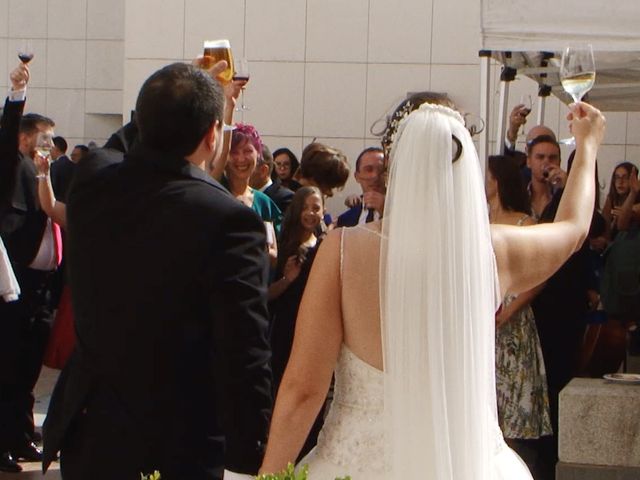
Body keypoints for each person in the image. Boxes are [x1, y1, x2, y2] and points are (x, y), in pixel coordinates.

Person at [258, 92, 605, 479]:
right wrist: (588, 145)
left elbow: (303, 390)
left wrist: (269, 476)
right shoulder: (495, 251)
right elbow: (573, 230)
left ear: (393, 165)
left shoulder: (343, 252)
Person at [42, 61, 273, 480]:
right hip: (180, 442)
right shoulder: (230, 220)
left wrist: (187, 91)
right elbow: (244, 349)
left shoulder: (94, 179)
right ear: (211, 136)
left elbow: (118, 144)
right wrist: (250, 454)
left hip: (92, 429)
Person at [0, 63, 58, 473]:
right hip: (13, 284)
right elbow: (4, 140)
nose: (49, 148)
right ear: (23, 138)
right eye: (43, 140)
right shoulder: (11, 165)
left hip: (43, 286)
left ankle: (21, 435)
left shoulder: (47, 174)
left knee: (28, 369)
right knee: (6, 366)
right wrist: (17, 96)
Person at [486, 155, 551, 475]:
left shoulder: (526, 222)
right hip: (484, 321)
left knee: (515, 404)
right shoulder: (479, 220)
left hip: (514, 318)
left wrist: (510, 309)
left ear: (497, 181)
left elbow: (543, 274)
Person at [336, 147, 385, 228]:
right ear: (357, 176)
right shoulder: (345, 219)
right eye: (369, 170)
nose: (375, 176)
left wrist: (385, 212)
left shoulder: (402, 211)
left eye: (381, 170)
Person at [250, 145, 295, 214]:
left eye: (247, 167)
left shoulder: (286, 199)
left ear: (263, 171)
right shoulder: (239, 196)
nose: (241, 174)